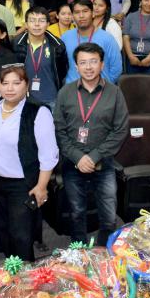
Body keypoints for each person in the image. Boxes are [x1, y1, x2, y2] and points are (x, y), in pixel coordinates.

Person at [0, 66, 57, 262]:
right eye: (5, 83)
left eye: (16, 83)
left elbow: (49, 154)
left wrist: (41, 187)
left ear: (26, 85)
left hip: (22, 185)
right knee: (3, 232)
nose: (10, 88)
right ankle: (12, 274)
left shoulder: (37, 112)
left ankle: (26, 277)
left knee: (21, 236)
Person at [53, 42, 129, 246]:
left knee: (109, 214)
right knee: (76, 213)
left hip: (104, 162)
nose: (88, 67)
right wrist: (78, 157)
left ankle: (105, 251)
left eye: (93, 61)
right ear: (76, 66)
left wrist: (94, 157)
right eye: (83, 62)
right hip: (72, 162)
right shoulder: (65, 93)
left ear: (102, 64)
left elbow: (120, 130)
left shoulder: (115, 93)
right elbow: (59, 130)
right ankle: (79, 252)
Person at [14, 7, 68, 106]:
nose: (37, 24)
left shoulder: (57, 45)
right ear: (26, 24)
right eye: (32, 20)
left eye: (42, 21)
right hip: (22, 99)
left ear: (48, 24)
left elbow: (62, 72)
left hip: (51, 99)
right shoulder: (16, 44)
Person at [61, 0, 122, 84]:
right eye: (77, 12)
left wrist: (104, 86)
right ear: (72, 16)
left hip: (100, 89)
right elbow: (60, 66)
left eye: (85, 11)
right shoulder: (65, 37)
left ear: (93, 14)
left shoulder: (107, 38)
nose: (81, 16)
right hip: (72, 89)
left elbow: (116, 68)